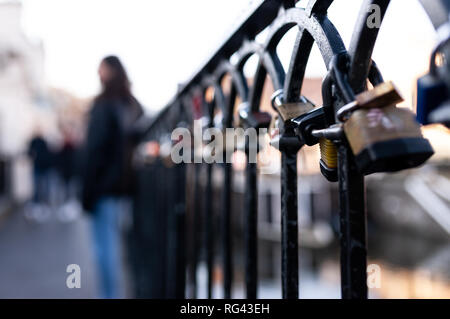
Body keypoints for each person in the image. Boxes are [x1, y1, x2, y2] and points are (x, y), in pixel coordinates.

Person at [82, 55, 143, 299]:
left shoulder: (105, 105)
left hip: (103, 188)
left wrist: (87, 191)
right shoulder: (130, 105)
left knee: (104, 249)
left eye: (101, 70)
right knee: (114, 247)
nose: (98, 74)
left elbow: (95, 151)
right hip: (123, 187)